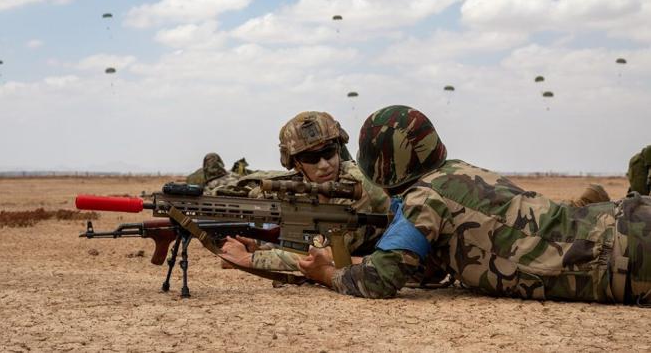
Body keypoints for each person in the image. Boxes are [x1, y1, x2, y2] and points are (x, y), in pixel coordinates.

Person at [297, 105, 651, 304]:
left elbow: (377, 280)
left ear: (383, 165)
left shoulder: (424, 199)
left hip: (622, 256)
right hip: (624, 221)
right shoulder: (459, 172)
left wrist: (325, 272)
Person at [220, 111, 390, 272]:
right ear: (296, 163)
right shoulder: (304, 186)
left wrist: (248, 259)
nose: (324, 165)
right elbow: (311, 238)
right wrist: (260, 247)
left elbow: (326, 254)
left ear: (338, 149)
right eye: (311, 158)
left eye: (328, 152)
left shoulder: (355, 185)